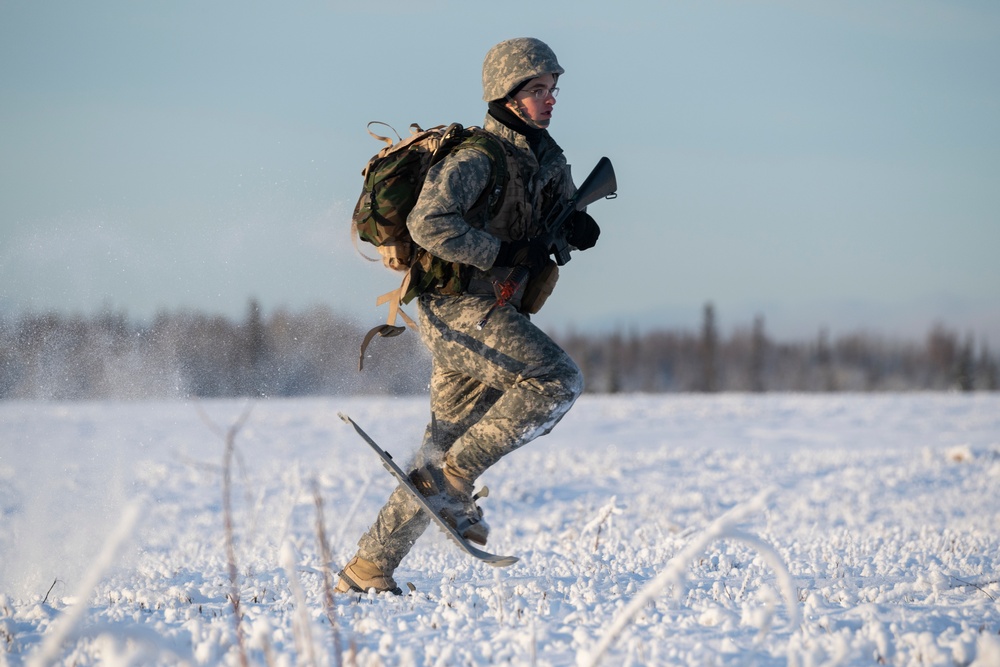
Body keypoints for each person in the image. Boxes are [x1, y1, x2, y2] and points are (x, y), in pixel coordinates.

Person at [336, 37, 601, 594]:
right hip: (458, 310)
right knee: (557, 381)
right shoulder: (478, 157)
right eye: (537, 89)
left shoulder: (547, 160)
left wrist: (576, 230)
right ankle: (454, 486)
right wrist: (501, 254)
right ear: (507, 95)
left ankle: (366, 570)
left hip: (493, 310)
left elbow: (547, 229)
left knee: (441, 448)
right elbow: (428, 224)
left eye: (553, 89)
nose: (550, 99)